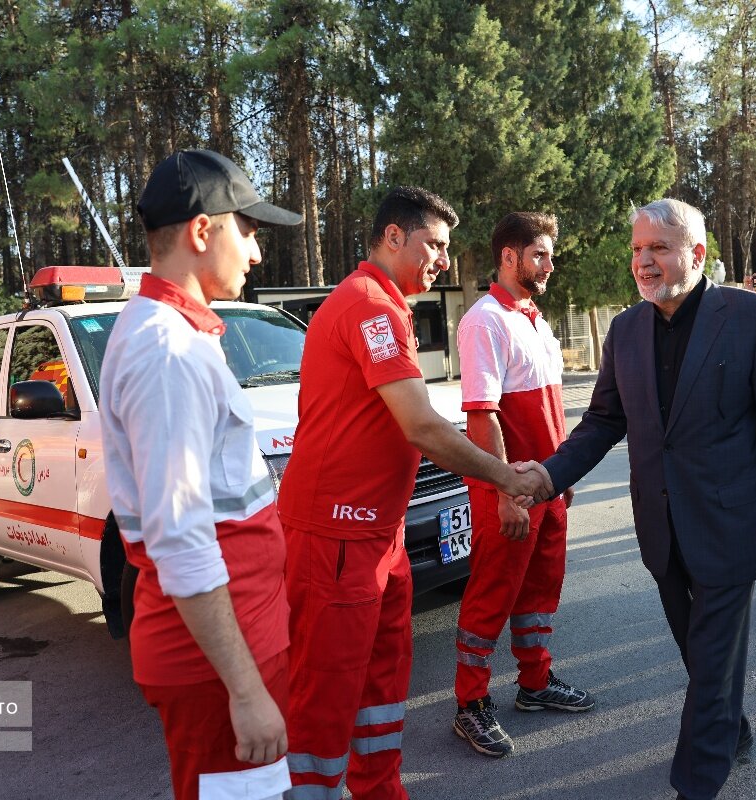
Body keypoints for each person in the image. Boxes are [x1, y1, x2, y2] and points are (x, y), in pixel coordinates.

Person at [519, 198, 756, 800]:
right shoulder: (626, 330)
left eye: (658, 247)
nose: (643, 261)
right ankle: (729, 726)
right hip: (661, 527)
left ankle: (695, 782)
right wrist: (546, 476)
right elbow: (603, 421)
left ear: (696, 253)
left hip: (728, 524)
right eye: (637, 248)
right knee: (699, 653)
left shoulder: (755, 317)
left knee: (710, 656)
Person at [276, 187, 552, 800]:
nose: (444, 261)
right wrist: (506, 477)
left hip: (380, 531)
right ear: (393, 237)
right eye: (435, 245)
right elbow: (422, 426)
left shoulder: (387, 305)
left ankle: (380, 788)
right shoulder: (369, 305)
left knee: (382, 681)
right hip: (337, 535)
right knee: (325, 692)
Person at [99, 149, 303, 799]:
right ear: (201, 230)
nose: (257, 253)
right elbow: (181, 539)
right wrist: (245, 691)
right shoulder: (168, 352)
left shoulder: (180, 334)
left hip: (237, 639)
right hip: (216, 667)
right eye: (249, 231)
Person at [450, 212, 593, 759]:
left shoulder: (535, 319)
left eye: (550, 254)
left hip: (547, 487)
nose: (550, 264)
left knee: (539, 591)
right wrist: (506, 492)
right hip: (510, 492)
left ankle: (534, 683)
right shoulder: (485, 321)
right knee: (493, 593)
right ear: (508, 257)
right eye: (540, 254)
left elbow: (550, 408)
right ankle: (470, 703)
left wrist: (561, 475)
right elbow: (481, 416)